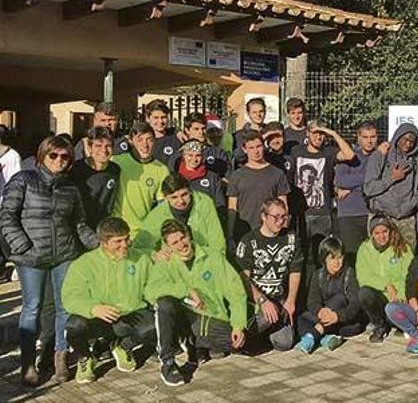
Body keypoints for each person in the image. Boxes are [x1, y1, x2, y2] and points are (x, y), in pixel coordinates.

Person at [0, 135, 97, 386]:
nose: (59, 160)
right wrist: (22, 245)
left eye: (65, 156)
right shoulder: (23, 179)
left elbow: (79, 224)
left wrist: (98, 245)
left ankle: (60, 358)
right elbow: (7, 215)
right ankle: (29, 362)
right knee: (33, 307)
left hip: (64, 255)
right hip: (31, 257)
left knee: (65, 306)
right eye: (53, 155)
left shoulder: (71, 189)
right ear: (42, 155)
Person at [146, 219, 247, 386]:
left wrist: (238, 324)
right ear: (168, 246)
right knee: (164, 303)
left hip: (212, 315)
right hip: (186, 316)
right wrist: (186, 290)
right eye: (175, 242)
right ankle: (168, 363)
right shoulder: (166, 263)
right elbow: (150, 292)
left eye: (182, 238)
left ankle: (196, 344)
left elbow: (236, 292)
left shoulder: (213, 256)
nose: (181, 245)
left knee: (239, 342)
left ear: (189, 235)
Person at [61, 217, 155, 383]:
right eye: (118, 241)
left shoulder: (142, 259)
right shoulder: (83, 264)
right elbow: (70, 297)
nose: (125, 245)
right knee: (73, 327)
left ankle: (123, 347)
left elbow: (153, 287)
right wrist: (93, 308)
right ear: (103, 242)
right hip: (98, 318)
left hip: (129, 315)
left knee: (153, 327)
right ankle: (85, 357)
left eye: (127, 239)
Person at [236, 198, 303, 352]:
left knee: (284, 343)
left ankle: (266, 331)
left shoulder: (291, 239)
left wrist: (291, 301)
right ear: (264, 216)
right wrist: (262, 300)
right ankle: (246, 335)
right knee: (247, 340)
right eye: (276, 217)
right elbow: (243, 278)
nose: (280, 221)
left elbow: (295, 270)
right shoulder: (248, 241)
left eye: (284, 217)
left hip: (279, 299)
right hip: (256, 301)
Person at [287, 120, 355, 271]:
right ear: (307, 133)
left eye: (322, 133)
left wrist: (332, 133)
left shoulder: (328, 152)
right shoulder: (297, 151)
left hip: (322, 214)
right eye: (315, 133)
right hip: (301, 214)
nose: (319, 137)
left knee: (321, 256)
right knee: (300, 256)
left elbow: (350, 155)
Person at [294, 237, 365, 353]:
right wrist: (320, 311)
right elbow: (312, 301)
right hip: (325, 316)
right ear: (324, 259)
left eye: (340, 257)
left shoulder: (349, 274)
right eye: (332, 258)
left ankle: (313, 335)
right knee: (300, 317)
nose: (337, 262)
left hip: (344, 319)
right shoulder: (318, 275)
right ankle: (326, 338)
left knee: (339, 298)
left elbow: (355, 304)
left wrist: (337, 316)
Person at [132, 174, 225, 256]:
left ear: (190, 191)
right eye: (174, 197)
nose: (181, 201)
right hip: (174, 263)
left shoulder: (204, 203)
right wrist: (155, 255)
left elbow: (217, 242)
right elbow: (138, 247)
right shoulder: (158, 214)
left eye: (184, 195)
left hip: (203, 257)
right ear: (165, 197)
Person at [355, 215, 414, 342]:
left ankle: (400, 324)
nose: (381, 236)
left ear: (390, 231)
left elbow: (409, 275)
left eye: (384, 232)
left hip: (398, 299)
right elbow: (363, 277)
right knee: (364, 293)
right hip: (380, 300)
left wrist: (402, 295)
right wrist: (386, 285)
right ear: (371, 234)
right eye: (377, 233)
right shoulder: (364, 249)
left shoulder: (403, 248)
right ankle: (380, 326)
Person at [227, 130, 290, 245]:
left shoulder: (277, 173)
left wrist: (284, 230)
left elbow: (283, 205)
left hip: (270, 230)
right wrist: (230, 234)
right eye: (251, 148)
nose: (256, 151)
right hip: (244, 231)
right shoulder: (237, 175)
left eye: (258, 146)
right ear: (245, 149)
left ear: (263, 147)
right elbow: (232, 207)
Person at [363, 123, 418, 247]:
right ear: (397, 137)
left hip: (406, 219)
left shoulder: (415, 161)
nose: (408, 144)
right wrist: (392, 178)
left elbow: (417, 189)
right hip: (383, 218)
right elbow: (368, 189)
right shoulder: (380, 156)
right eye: (405, 139)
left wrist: (410, 205)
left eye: (412, 141)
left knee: (408, 259)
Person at [111, 122, 170, 235]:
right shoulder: (116, 162)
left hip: (142, 233)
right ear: (131, 141)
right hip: (116, 231)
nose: (145, 145)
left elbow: (161, 207)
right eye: (140, 140)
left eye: (149, 140)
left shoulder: (162, 169)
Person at [334, 120, 378, 266]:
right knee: (352, 258)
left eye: (373, 136)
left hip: (372, 213)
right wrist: (369, 177)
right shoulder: (349, 155)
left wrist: (352, 188)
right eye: (365, 137)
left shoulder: (380, 157)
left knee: (372, 259)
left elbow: (382, 181)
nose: (369, 141)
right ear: (358, 138)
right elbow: (341, 181)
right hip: (349, 214)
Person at [69, 127, 121, 230]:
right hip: (79, 229)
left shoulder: (115, 170)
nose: (104, 150)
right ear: (89, 147)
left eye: (108, 146)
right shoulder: (76, 170)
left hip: (103, 229)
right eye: (98, 145)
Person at [174, 139, 226, 218]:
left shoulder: (212, 177)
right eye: (190, 155)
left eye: (198, 155)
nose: (194, 159)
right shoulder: (176, 177)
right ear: (183, 156)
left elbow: (220, 204)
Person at [169, 112, 230, 178]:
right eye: (196, 129)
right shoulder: (179, 154)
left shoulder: (217, 153)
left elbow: (228, 174)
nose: (201, 132)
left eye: (203, 128)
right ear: (187, 130)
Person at [0, 124, 22, 280]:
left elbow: (16, 182)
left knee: (5, 240)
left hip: (5, 205)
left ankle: (17, 266)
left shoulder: (12, 156)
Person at [144, 99, 182, 166]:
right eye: (156, 117)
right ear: (147, 118)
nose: (160, 121)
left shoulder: (176, 139)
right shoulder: (141, 140)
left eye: (163, 117)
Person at [233, 97, 267, 168]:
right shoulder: (240, 135)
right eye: (254, 112)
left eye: (261, 111)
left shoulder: (269, 131)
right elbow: (238, 156)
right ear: (248, 114)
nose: (258, 115)